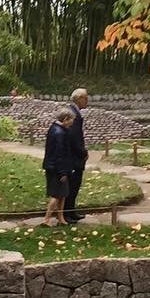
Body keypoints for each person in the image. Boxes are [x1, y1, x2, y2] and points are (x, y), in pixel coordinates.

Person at [42, 108, 77, 226]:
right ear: (66, 119)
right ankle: (46, 219)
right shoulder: (60, 133)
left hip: (54, 166)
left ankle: (61, 217)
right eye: (71, 120)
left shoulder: (55, 129)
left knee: (63, 194)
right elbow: (59, 154)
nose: (72, 123)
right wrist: (62, 172)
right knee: (56, 195)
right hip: (57, 169)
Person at [64, 88, 90, 224]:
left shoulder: (73, 112)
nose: (87, 100)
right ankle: (67, 213)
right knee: (72, 184)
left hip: (73, 156)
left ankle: (71, 211)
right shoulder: (75, 115)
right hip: (74, 157)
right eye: (85, 98)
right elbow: (75, 137)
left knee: (75, 185)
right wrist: (83, 152)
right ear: (79, 98)